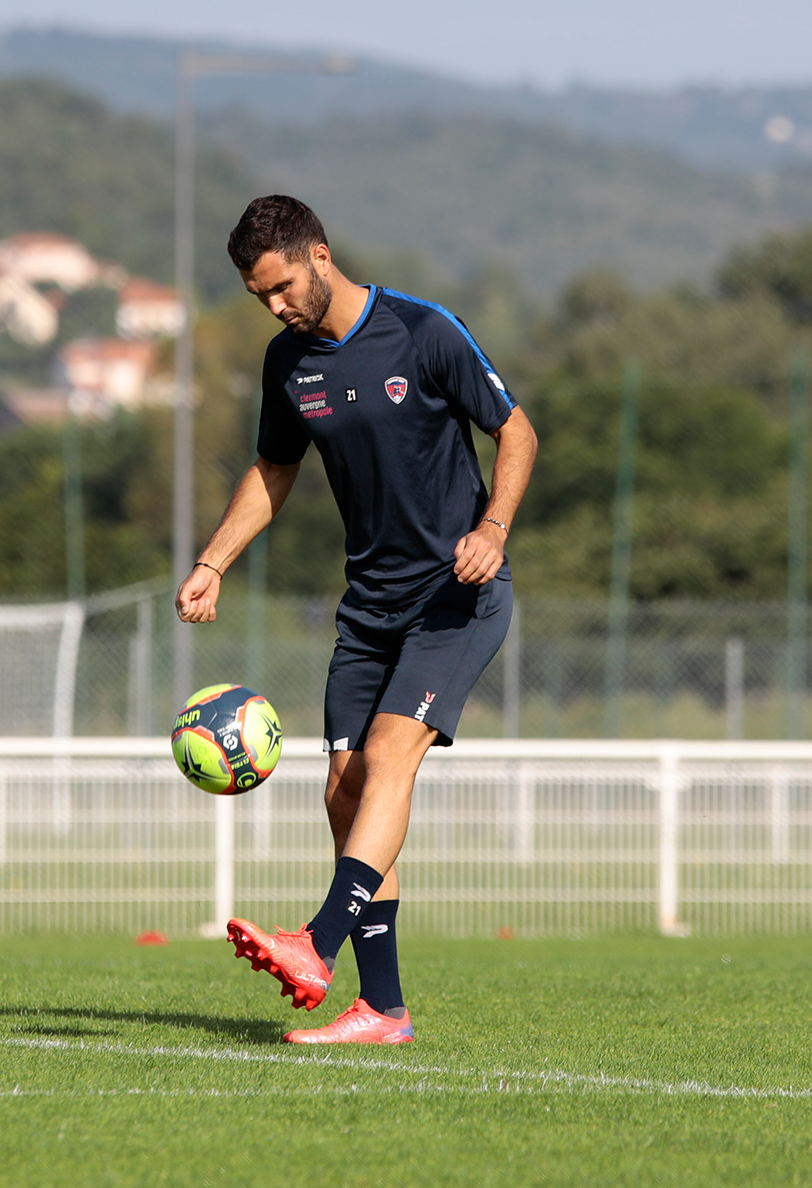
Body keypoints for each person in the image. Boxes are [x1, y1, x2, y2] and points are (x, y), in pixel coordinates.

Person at [176, 195, 537, 1043]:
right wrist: (212, 562)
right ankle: (383, 1008)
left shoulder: (424, 332)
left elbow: (516, 433)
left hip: (456, 595)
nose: (276, 307)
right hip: (368, 606)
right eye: (259, 297)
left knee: (386, 760)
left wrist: (492, 529)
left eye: (282, 288)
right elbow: (273, 471)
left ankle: (316, 942)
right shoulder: (287, 363)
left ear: (321, 256)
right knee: (343, 790)